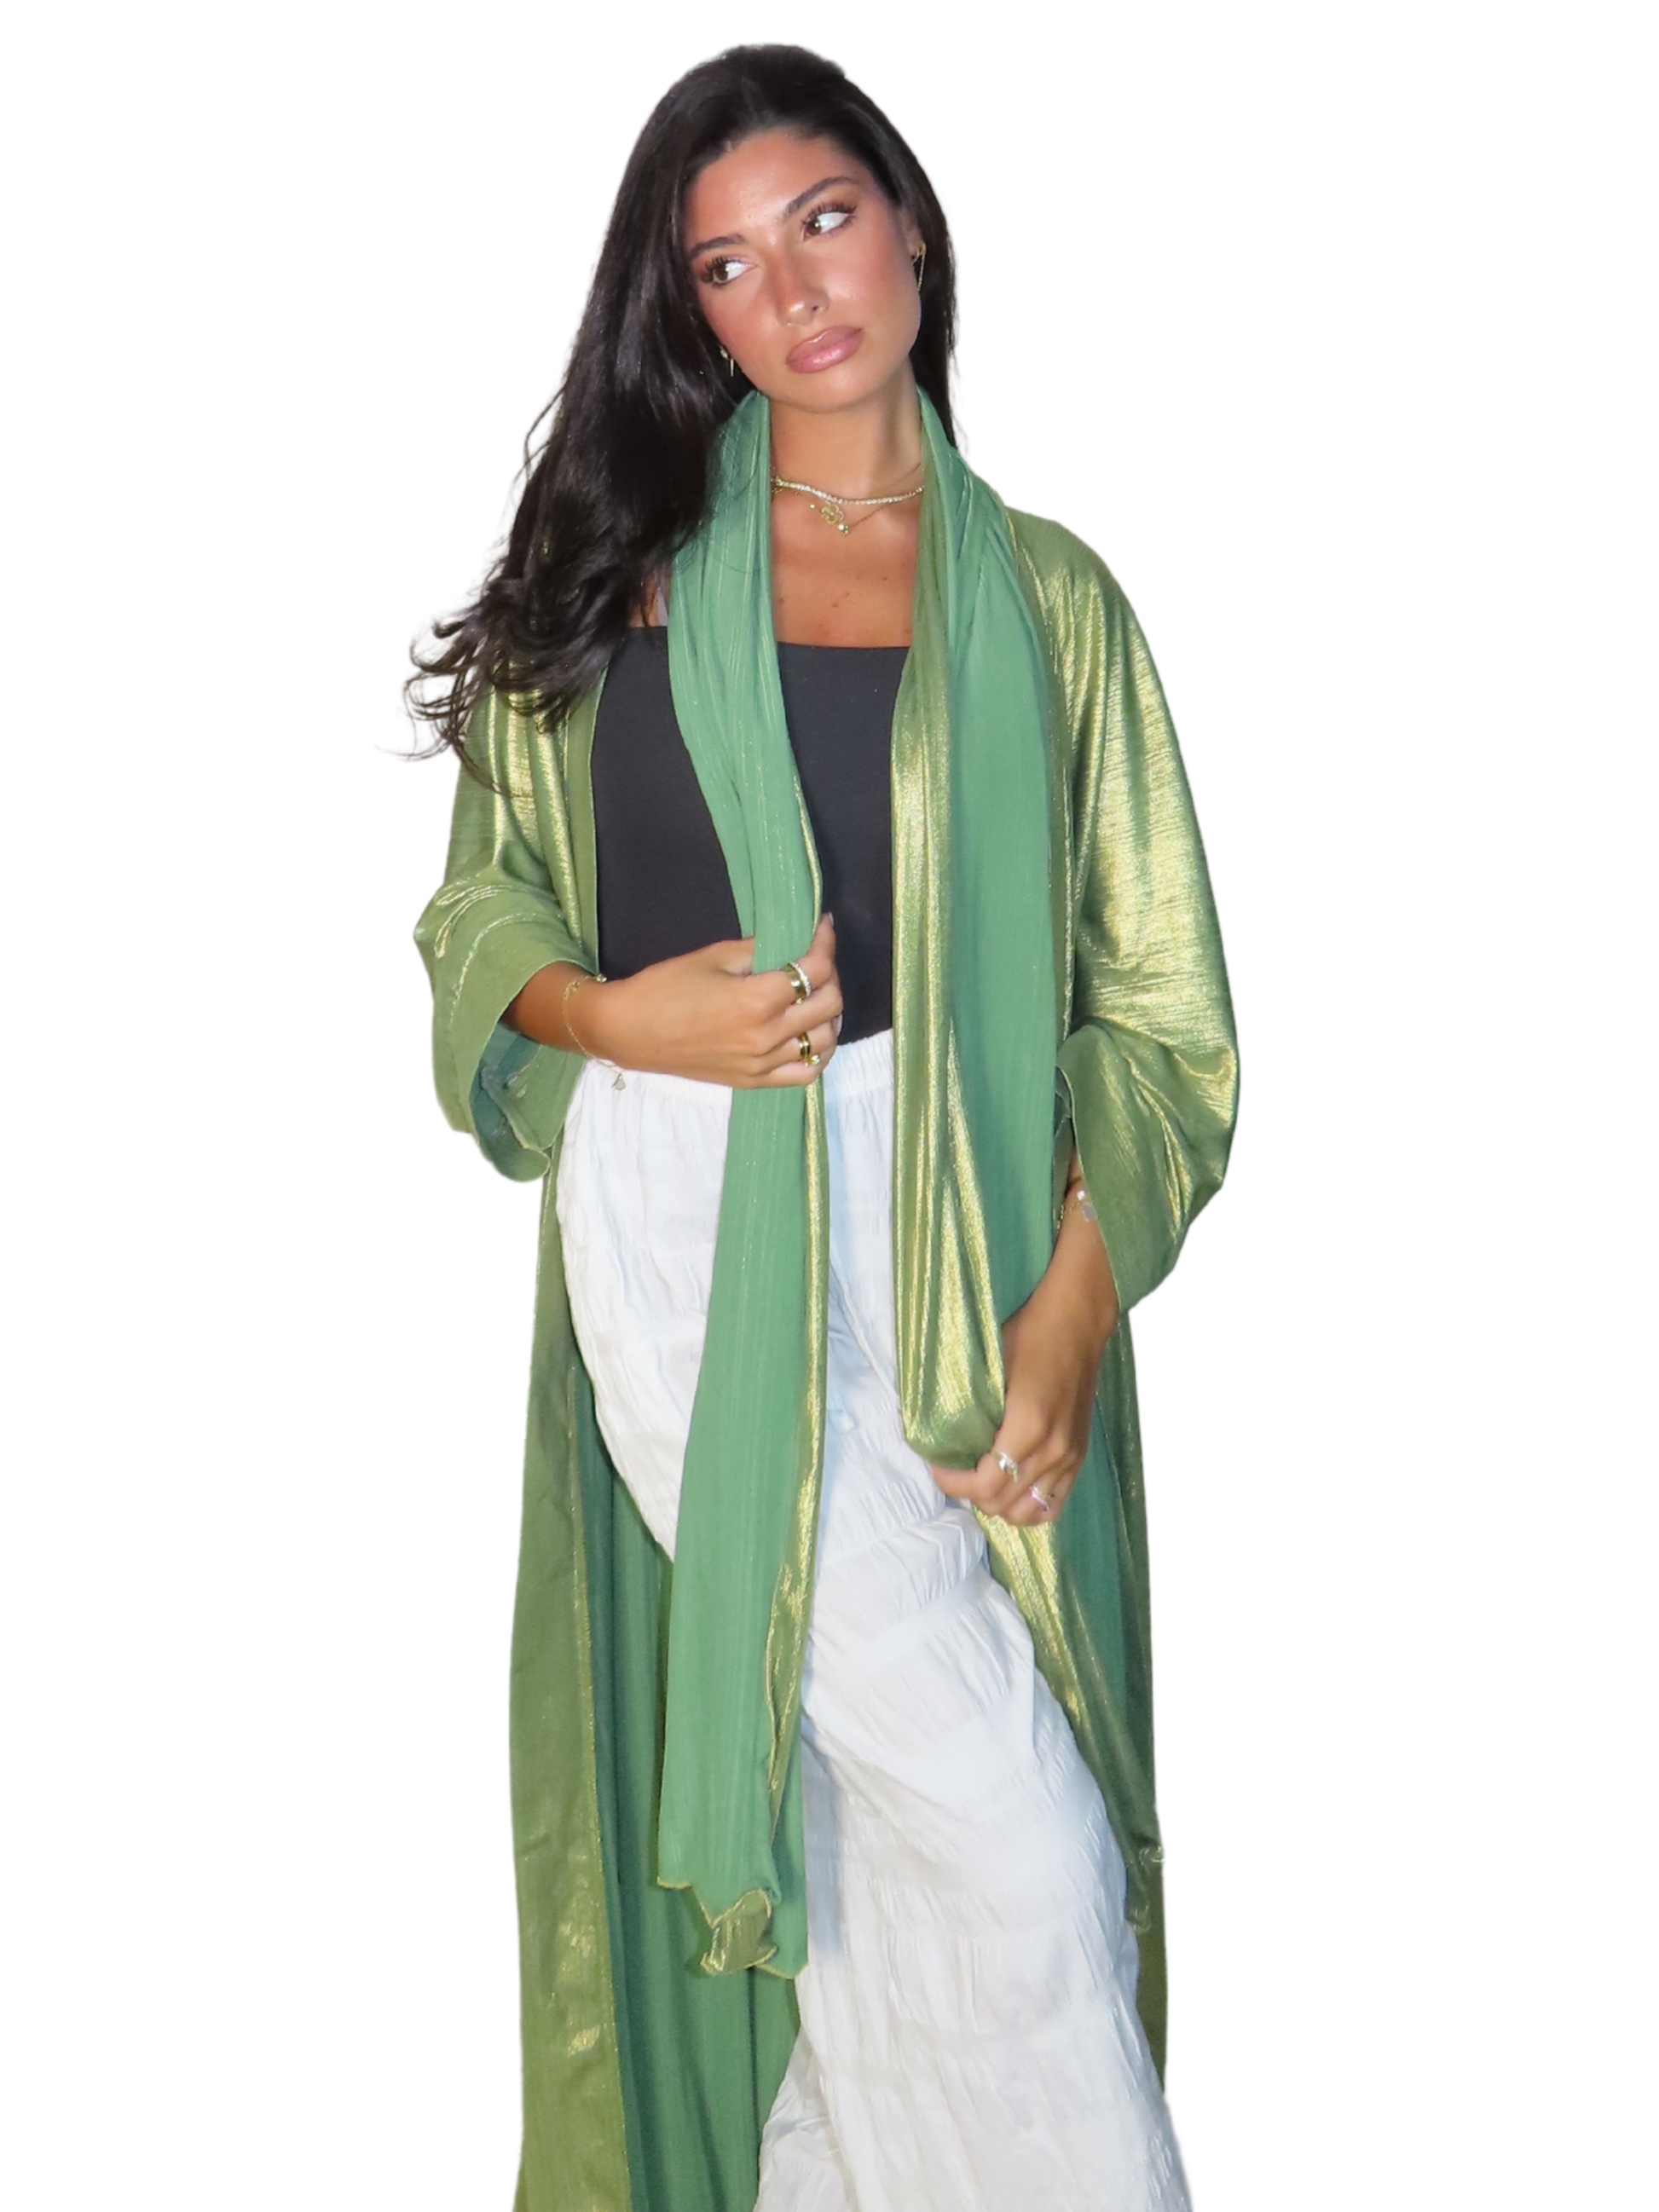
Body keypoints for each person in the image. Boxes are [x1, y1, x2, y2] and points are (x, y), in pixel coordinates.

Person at [413, 43, 1237, 2212]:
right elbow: (481, 909)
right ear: (688, 317)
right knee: (1009, 1836)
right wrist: (623, 1017)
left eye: (822, 221)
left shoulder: (1047, 605)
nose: (790, 291)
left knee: (893, 1871)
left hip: (964, 1250)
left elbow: (1157, 1025)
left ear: (911, 227)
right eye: (723, 266)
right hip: (689, 1230)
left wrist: (1069, 1314)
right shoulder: (621, 580)